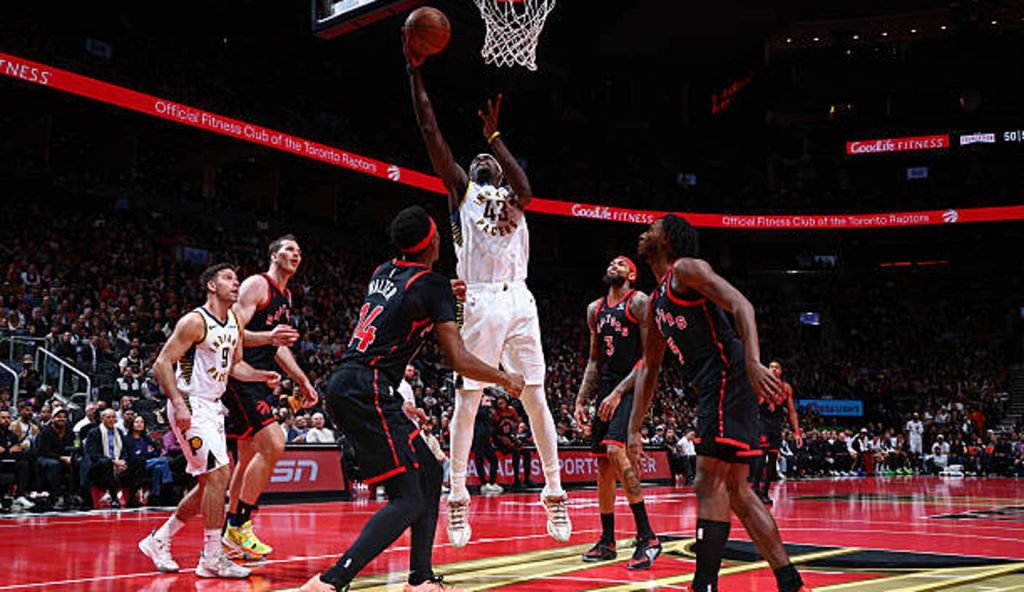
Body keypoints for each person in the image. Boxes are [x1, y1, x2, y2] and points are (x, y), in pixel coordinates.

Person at [298, 206, 525, 592]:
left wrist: (442, 298)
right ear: (435, 241)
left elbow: (404, 309)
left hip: (347, 381)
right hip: (368, 387)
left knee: (431, 471)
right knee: (407, 499)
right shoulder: (432, 285)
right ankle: (331, 581)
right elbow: (456, 358)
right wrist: (504, 379)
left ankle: (419, 579)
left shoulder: (384, 271)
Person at [405, 35, 569, 549]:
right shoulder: (462, 192)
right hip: (476, 298)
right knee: (469, 399)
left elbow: (527, 189)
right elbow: (430, 130)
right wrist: (415, 75)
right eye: (476, 159)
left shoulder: (512, 195)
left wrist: (494, 136)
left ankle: (554, 491)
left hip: (519, 298)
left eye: (487, 160)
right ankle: (456, 498)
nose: (480, 162)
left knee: (537, 395)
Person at [630, 215, 812, 592]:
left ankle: (704, 585)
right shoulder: (657, 303)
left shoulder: (686, 269)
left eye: (655, 227)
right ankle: (791, 583)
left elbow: (741, 304)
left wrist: (752, 361)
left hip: (729, 376)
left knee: (707, 480)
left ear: (670, 240)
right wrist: (633, 429)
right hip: (716, 386)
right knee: (737, 492)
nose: (646, 231)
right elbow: (649, 368)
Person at [138, 263, 280, 579]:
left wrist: (261, 375)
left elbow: (236, 366)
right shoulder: (194, 321)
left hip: (213, 408)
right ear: (211, 285)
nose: (235, 283)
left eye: (237, 278)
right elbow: (162, 364)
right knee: (220, 475)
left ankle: (159, 540)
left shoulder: (233, 323)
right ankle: (212, 558)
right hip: (190, 403)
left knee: (209, 485)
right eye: (228, 278)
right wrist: (178, 402)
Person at [223, 235, 319, 560]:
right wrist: (268, 336)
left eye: (299, 250)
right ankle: (241, 524)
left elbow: (278, 348)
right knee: (275, 443)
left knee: (248, 457)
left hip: (261, 379)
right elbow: (229, 332)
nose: (296, 254)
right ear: (274, 255)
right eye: (290, 249)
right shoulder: (256, 285)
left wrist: (303, 381)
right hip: (241, 375)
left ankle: (229, 534)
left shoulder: (286, 296)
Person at [573, 256, 661, 569]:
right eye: (611, 262)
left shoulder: (638, 302)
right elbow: (595, 361)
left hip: (633, 385)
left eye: (621, 264)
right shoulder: (595, 309)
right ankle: (607, 540)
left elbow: (650, 360)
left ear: (632, 275)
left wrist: (618, 392)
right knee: (603, 467)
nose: (613, 265)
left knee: (615, 451)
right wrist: (582, 399)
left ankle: (648, 537)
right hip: (607, 387)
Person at [750, 361, 802, 505]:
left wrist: (796, 432)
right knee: (761, 455)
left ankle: (765, 491)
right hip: (762, 422)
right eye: (771, 367)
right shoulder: (761, 383)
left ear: (781, 371)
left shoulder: (786, 388)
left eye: (776, 367)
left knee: (773, 457)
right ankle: (755, 489)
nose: (773, 369)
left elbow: (792, 411)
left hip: (776, 424)